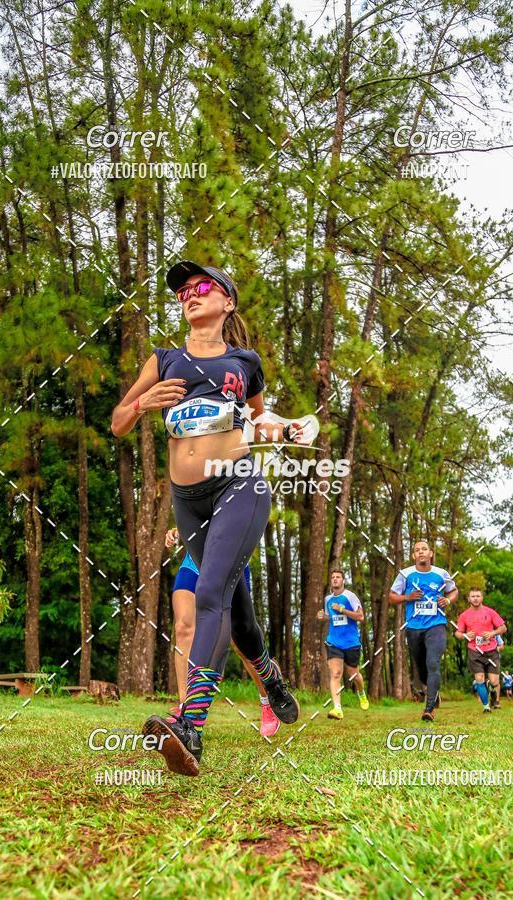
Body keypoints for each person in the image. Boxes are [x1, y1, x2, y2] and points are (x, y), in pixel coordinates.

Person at [111, 260, 307, 776]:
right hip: (187, 498)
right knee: (238, 617)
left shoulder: (245, 362)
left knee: (209, 593)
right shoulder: (164, 359)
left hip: (239, 483)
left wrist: (289, 429)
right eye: (182, 292)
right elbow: (118, 422)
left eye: (201, 286)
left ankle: (190, 725)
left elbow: (260, 421)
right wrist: (143, 403)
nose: (189, 295)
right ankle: (268, 673)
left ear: (227, 301)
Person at [166, 527, 280, 738]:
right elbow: (195, 515)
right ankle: (185, 708)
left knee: (239, 640)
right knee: (183, 628)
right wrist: (181, 530)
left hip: (229, 560)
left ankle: (268, 698)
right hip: (195, 560)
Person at [389, 540, 459, 722]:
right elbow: (391, 597)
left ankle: (429, 709)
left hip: (436, 625)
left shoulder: (441, 574)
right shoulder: (405, 574)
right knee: (421, 669)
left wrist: (448, 600)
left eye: (424, 549)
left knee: (433, 662)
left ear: (430, 553)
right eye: (417, 550)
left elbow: (454, 591)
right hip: (414, 627)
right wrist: (407, 597)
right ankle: (434, 692)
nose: (421, 552)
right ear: (413, 555)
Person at [316, 568, 369, 719]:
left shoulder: (350, 596)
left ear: (343, 580)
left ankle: (361, 693)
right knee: (335, 673)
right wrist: (323, 616)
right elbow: (331, 617)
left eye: (338, 577)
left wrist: (342, 609)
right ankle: (337, 709)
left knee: (354, 675)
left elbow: (361, 617)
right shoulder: (328, 599)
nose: (335, 579)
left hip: (351, 642)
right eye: (333, 577)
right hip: (334, 642)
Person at [455, 588, 506, 714]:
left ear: (482, 598)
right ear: (469, 599)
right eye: (473, 596)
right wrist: (465, 635)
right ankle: (486, 706)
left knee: (494, 681)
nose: (475, 598)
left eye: (478, 596)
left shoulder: (490, 612)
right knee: (479, 678)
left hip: (491, 650)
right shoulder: (464, 615)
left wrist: (492, 633)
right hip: (474, 651)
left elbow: (503, 627)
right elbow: (457, 633)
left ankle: (493, 692)